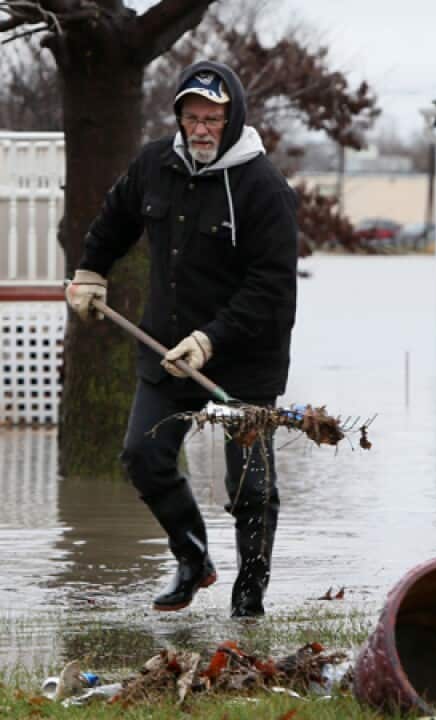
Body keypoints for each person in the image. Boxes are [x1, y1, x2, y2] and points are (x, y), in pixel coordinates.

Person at [64, 61, 299, 618]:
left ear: (232, 119)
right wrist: (92, 270)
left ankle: (250, 597)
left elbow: (271, 287)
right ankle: (193, 559)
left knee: (251, 486)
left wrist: (211, 339)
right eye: (191, 117)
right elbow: (115, 217)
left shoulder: (264, 187)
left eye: (212, 119)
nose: (199, 129)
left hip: (244, 356)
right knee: (142, 456)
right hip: (166, 347)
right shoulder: (155, 164)